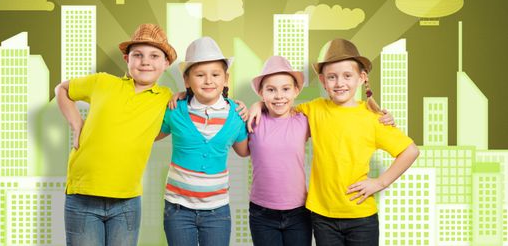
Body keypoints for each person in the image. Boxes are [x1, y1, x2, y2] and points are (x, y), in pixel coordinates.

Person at [251, 39, 419, 246]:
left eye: (347, 76)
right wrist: (257, 105)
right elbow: (281, 105)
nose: (339, 83)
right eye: (332, 77)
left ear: (361, 77)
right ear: (322, 80)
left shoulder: (372, 118)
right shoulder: (314, 109)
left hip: (360, 216)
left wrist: (380, 182)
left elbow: (410, 151)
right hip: (322, 216)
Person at [56, 23, 177, 246]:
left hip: (127, 202)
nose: (145, 61)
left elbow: (196, 102)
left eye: (154, 55)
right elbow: (62, 89)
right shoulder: (102, 82)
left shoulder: (166, 97)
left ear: (166, 63)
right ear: (126, 59)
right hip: (82, 196)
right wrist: (77, 124)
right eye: (137, 55)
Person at [156, 37, 249, 246]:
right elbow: (150, 135)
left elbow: (244, 151)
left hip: (217, 210)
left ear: (226, 79)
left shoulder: (236, 114)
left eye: (215, 75)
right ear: (187, 81)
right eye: (200, 75)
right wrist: (162, 100)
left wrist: (257, 110)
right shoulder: (175, 110)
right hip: (177, 208)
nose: (208, 81)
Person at [248, 56, 312, 246]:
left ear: (296, 91)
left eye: (286, 89)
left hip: (298, 211)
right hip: (262, 212)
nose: (279, 96)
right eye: (271, 90)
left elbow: (334, 114)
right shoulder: (253, 120)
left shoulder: (304, 120)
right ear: (261, 93)